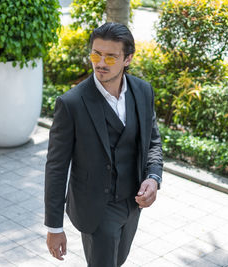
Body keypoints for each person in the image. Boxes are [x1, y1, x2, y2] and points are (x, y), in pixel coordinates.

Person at [44, 22, 163, 267]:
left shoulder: (143, 91)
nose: (100, 63)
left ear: (127, 59)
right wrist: (54, 227)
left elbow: (153, 141)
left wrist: (153, 177)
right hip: (97, 209)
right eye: (96, 54)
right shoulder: (71, 104)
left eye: (110, 57)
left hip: (133, 204)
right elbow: (56, 167)